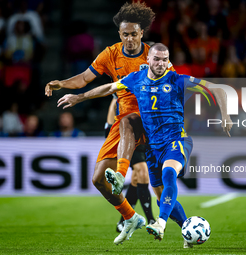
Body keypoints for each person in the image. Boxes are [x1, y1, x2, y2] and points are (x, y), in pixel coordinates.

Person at [56, 43, 233, 245]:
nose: (160, 63)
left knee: (169, 174)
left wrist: (225, 115)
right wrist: (79, 97)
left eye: (164, 60)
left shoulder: (177, 80)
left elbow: (217, 89)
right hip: (152, 147)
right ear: (147, 60)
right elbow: (109, 88)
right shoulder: (135, 79)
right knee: (160, 196)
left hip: (176, 141)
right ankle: (187, 230)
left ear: (168, 62)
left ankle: (160, 223)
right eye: (156, 59)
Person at [45, 2, 173, 245]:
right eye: (125, 34)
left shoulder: (154, 55)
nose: (129, 39)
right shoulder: (111, 54)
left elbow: (172, 84)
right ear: (119, 34)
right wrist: (62, 83)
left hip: (152, 118)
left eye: (134, 34)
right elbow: (84, 78)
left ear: (141, 33)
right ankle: (130, 216)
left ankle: (163, 212)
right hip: (122, 119)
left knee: (151, 177)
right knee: (97, 179)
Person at [106, 94, 155, 232]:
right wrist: (108, 128)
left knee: (136, 179)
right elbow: (115, 101)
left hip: (143, 135)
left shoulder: (149, 89)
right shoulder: (128, 88)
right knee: (142, 171)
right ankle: (151, 220)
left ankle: (123, 222)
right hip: (128, 136)